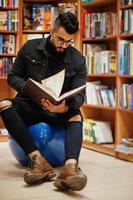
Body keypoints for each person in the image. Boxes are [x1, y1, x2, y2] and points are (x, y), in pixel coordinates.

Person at [0, 12, 87, 191]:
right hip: (31, 105)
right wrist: (29, 90)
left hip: (57, 111)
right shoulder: (30, 48)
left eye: (70, 41)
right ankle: (38, 162)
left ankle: (70, 168)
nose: (64, 45)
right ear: (51, 31)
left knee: (76, 116)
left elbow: (80, 96)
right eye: (60, 39)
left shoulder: (78, 60)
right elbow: (13, 76)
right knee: (4, 104)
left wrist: (64, 108)